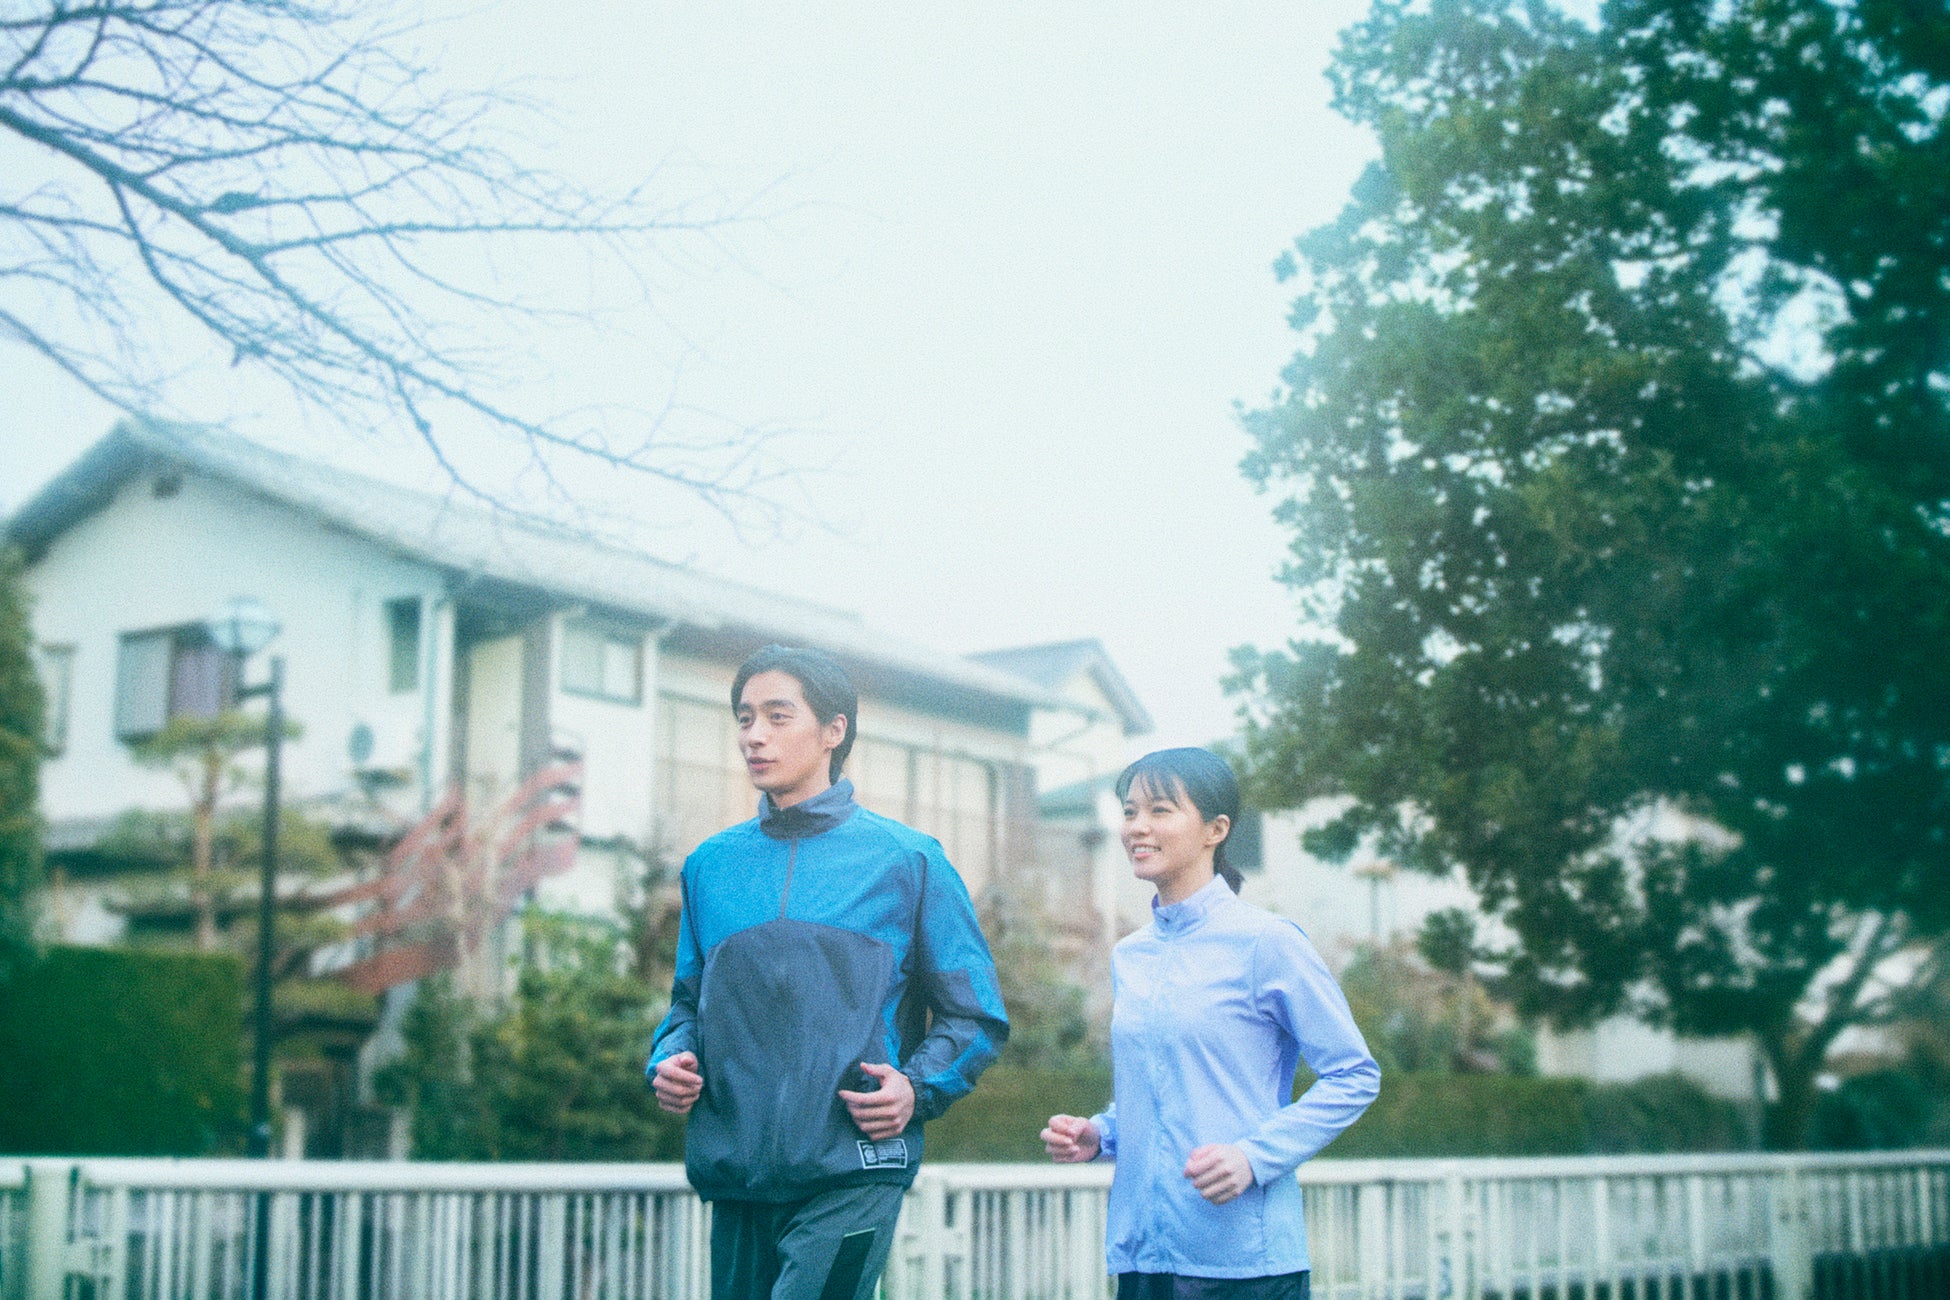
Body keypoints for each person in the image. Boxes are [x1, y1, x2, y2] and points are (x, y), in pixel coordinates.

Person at [648, 644, 1009, 1300]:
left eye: (777, 716)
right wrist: (670, 1060)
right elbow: (687, 1006)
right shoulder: (710, 866)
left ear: (833, 730)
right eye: (744, 717)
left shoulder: (908, 860)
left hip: (855, 1168)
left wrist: (917, 1088)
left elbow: (975, 1013)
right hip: (737, 1174)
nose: (753, 735)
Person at [1042, 748, 1379, 1300]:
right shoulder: (1131, 954)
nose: (1137, 827)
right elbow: (1169, 1087)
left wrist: (1253, 1157)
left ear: (1215, 829)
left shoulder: (1268, 943)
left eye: (1160, 810)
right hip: (1143, 1257)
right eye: (1129, 812)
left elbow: (1355, 1075)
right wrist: (1102, 1133)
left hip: (1245, 1264)